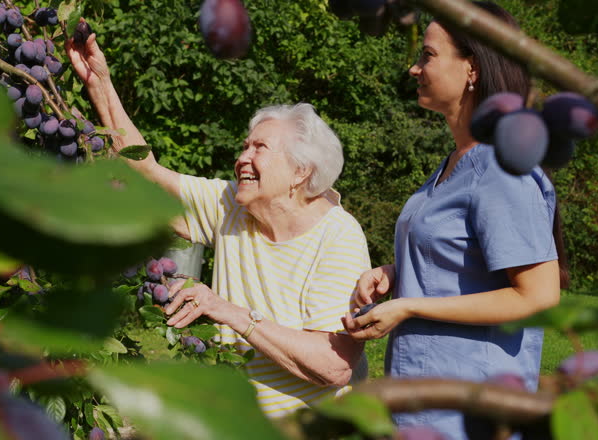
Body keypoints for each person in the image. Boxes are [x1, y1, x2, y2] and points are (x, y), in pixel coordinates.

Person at [66, 34, 371, 418]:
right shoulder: (231, 204)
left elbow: (334, 364)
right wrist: (100, 83)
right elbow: (146, 174)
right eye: (245, 146)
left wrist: (233, 314)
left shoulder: (338, 237)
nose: (243, 157)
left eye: (259, 148)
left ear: (300, 171)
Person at [342, 1, 569, 439]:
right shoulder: (452, 166)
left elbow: (539, 297)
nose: (414, 68)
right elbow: (464, 264)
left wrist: (409, 305)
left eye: (427, 55)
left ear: (473, 69)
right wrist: (396, 274)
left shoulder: (500, 168)